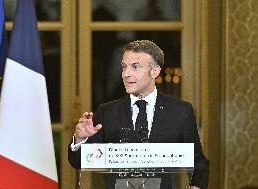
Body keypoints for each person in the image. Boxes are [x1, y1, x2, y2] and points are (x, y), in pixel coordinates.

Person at [68, 40, 209, 189]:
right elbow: (78, 161)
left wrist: (196, 187)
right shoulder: (107, 112)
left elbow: (198, 161)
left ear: (154, 71)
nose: (126, 74)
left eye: (135, 67)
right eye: (124, 67)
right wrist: (80, 139)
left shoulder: (181, 111)